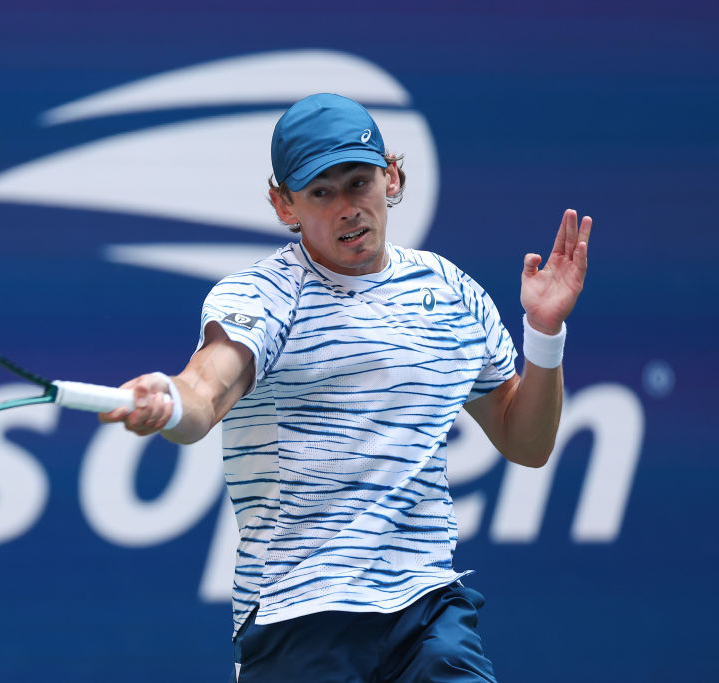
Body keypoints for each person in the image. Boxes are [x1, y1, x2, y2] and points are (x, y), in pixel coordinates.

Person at [100, 93, 591, 682]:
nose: (346, 209)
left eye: (357, 183)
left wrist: (543, 332)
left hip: (427, 607)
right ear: (284, 205)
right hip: (299, 613)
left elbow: (526, 442)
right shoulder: (262, 296)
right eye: (320, 194)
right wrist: (173, 401)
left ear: (392, 177)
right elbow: (207, 391)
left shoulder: (451, 292)